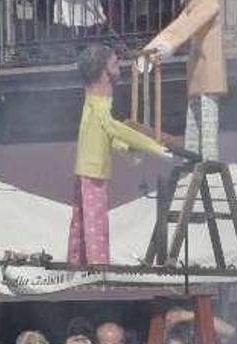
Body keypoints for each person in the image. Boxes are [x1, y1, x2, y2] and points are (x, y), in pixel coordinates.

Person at [68, 44, 171, 266]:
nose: (119, 67)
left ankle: (78, 263)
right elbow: (114, 128)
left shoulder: (95, 101)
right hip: (93, 169)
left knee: (83, 220)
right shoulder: (99, 102)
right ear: (104, 70)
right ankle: (98, 265)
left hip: (88, 166)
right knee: (96, 221)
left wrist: (127, 148)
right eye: (115, 63)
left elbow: (108, 134)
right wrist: (151, 145)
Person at [142, 0, 227, 162]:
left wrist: (169, 45)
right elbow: (176, 28)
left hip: (209, 66)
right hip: (197, 68)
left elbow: (188, 26)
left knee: (208, 119)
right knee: (193, 117)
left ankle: (209, 162)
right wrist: (148, 53)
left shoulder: (207, 3)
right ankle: (191, 159)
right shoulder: (193, 5)